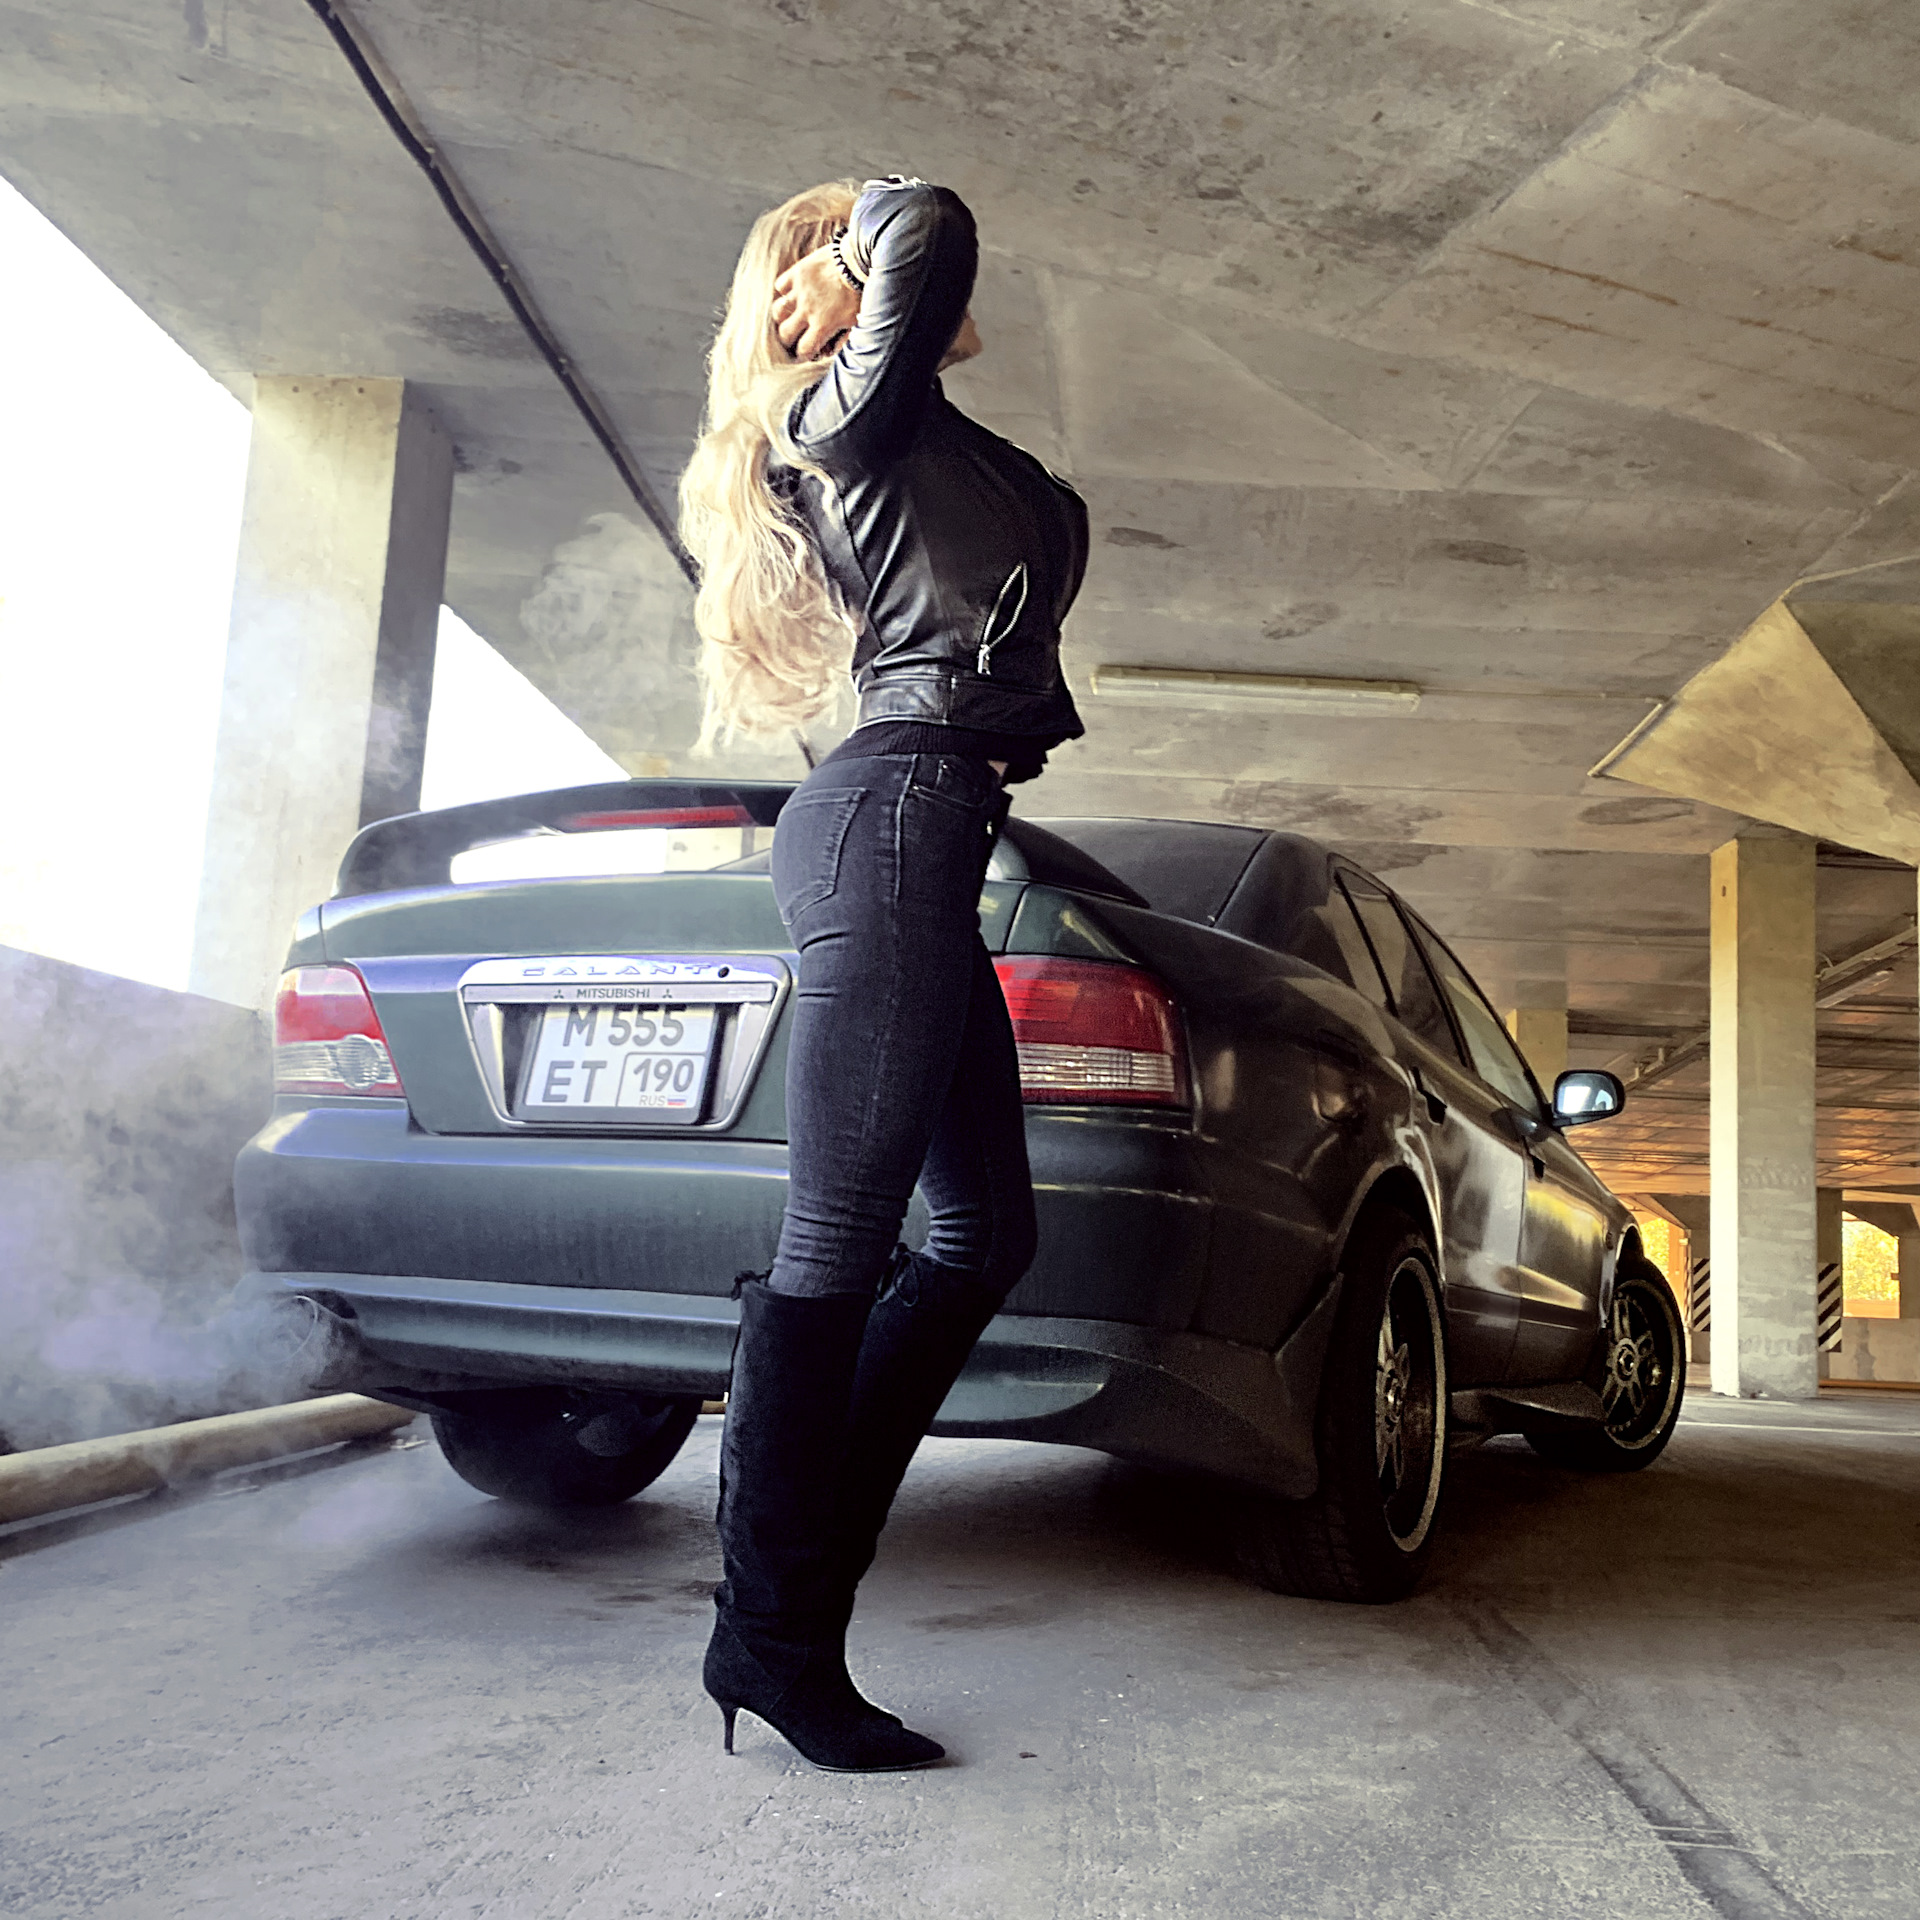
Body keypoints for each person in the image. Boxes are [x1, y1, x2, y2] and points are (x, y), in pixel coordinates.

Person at [676, 175, 1089, 1771]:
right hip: (895, 816)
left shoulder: (910, 427)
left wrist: (865, 284)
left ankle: (786, 1604)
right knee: (836, 1241)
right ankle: (774, 1644)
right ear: (827, 295)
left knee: (982, 1235)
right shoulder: (840, 416)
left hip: (928, 825)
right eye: (845, 254)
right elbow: (935, 218)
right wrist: (861, 249)